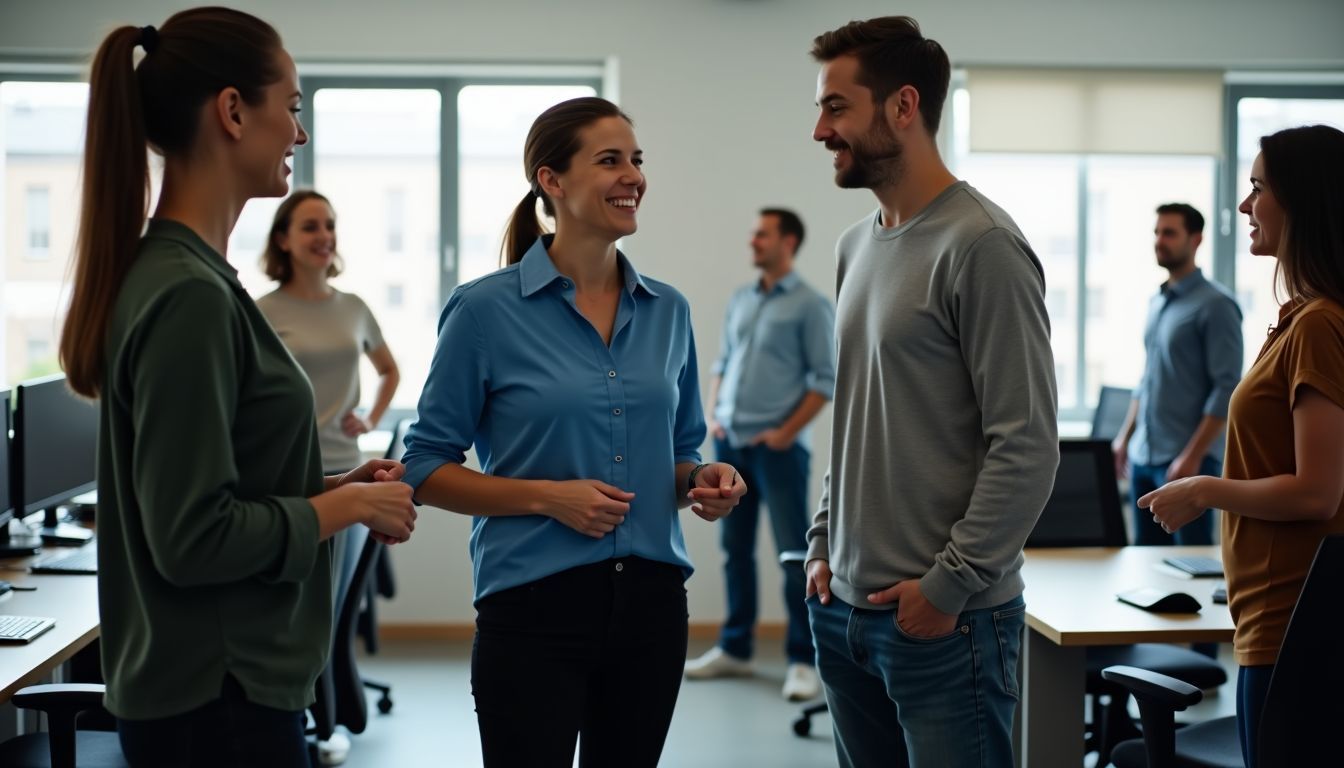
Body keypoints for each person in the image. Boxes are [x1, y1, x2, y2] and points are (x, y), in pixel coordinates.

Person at [57, 9, 417, 766]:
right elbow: (192, 538)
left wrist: (336, 483)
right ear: (230, 111)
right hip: (216, 699)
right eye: (290, 106)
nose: (300, 132)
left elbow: (231, 479)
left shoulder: (196, 279)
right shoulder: (187, 294)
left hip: (223, 688)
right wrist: (341, 507)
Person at [399, 96, 747, 768]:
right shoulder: (483, 312)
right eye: (610, 160)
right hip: (532, 606)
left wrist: (702, 480)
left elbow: (677, 458)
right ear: (551, 181)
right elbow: (424, 467)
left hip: (651, 606)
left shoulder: (668, 310)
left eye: (637, 161)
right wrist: (547, 497)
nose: (634, 176)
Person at [804, 16, 1059, 767]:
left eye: (837, 107)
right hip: (841, 612)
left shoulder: (981, 246)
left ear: (903, 107)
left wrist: (949, 588)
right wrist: (822, 546)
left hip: (946, 626)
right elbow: (860, 417)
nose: (820, 129)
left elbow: (1028, 445)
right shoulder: (857, 245)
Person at [1140, 124, 1344, 768]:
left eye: (1258, 188)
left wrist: (1204, 488)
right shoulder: (1300, 319)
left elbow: (1318, 491)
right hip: (1270, 620)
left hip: (1288, 626)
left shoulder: (1319, 325)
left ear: (1302, 201)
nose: (1244, 206)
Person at [683, 207, 834, 702]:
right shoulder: (741, 299)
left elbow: (824, 378)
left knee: (795, 553)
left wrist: (786, 432)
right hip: (730, 444)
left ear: (788, 241)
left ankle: (801, 659)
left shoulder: (810, 305)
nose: (752, 242)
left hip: (779, 452)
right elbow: (722, 362)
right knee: (735, 552)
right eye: (752, 234)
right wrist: (714, 415)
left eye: (761, 235)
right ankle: (736, 649)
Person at [1112, 203, 1242, 546]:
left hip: (1185, 461)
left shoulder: (1217, 305)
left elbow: (1226, 387)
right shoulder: (1157, 302)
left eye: (1169, 233)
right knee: (1143, 568)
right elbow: (1148, 377)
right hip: (1144, 456)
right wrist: (1124, 438)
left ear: (1196, 239)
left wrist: (1193, 455)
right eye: (1157, 232)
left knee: (1191, 569)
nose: (1159, 240)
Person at [258, 190, 401, 474]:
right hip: (287, 470)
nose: (325, 236)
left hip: (349, 468)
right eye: (310, 227)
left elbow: (389, 371)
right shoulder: (261, 312)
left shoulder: (354, 307)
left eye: (330, 225)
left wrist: (370, 421)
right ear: (282, 239)